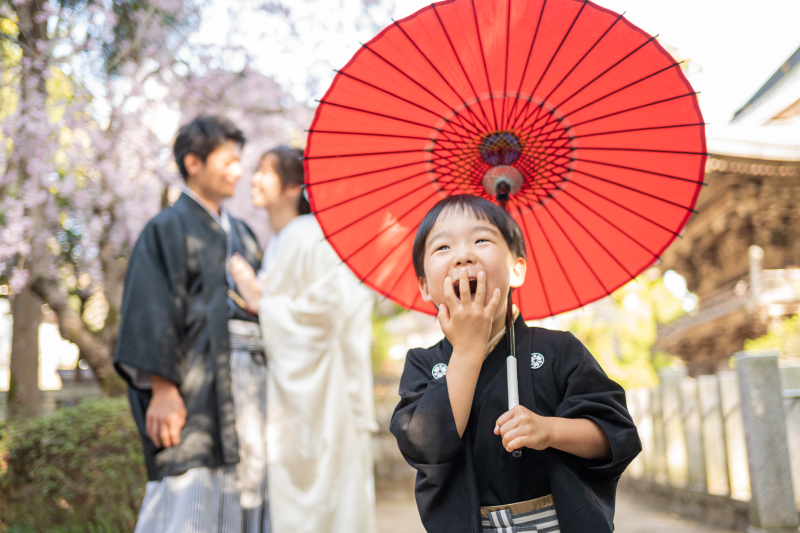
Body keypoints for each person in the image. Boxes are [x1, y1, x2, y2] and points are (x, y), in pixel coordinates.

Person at [390, 195, 642, 533]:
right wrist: (466, 350)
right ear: (424, 286)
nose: (464, 255)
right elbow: (425, 446)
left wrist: (549, 430)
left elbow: (616, 435)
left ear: (517, 268)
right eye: (443, 248)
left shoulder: (559, 350)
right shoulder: (423, 363)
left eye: (481, 240)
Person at [114, 115, 270, 532]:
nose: (239, 170)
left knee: (253, 485)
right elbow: (151, 308)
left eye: (240, 161)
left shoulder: (244, 234)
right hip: (196, 390)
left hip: (251, 385)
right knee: (191, 491)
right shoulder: (166, 228)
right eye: (229, 160)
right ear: (193, 162)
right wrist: (163, 389)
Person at [230, 146, 378, 533]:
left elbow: (327, 310)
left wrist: (261, 300)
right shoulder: (283, 239)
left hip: (326, 392)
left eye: (265, 171)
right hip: (301, 390)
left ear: (294, 185)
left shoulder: (309, 234)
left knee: (328, 498)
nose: (254, 179)